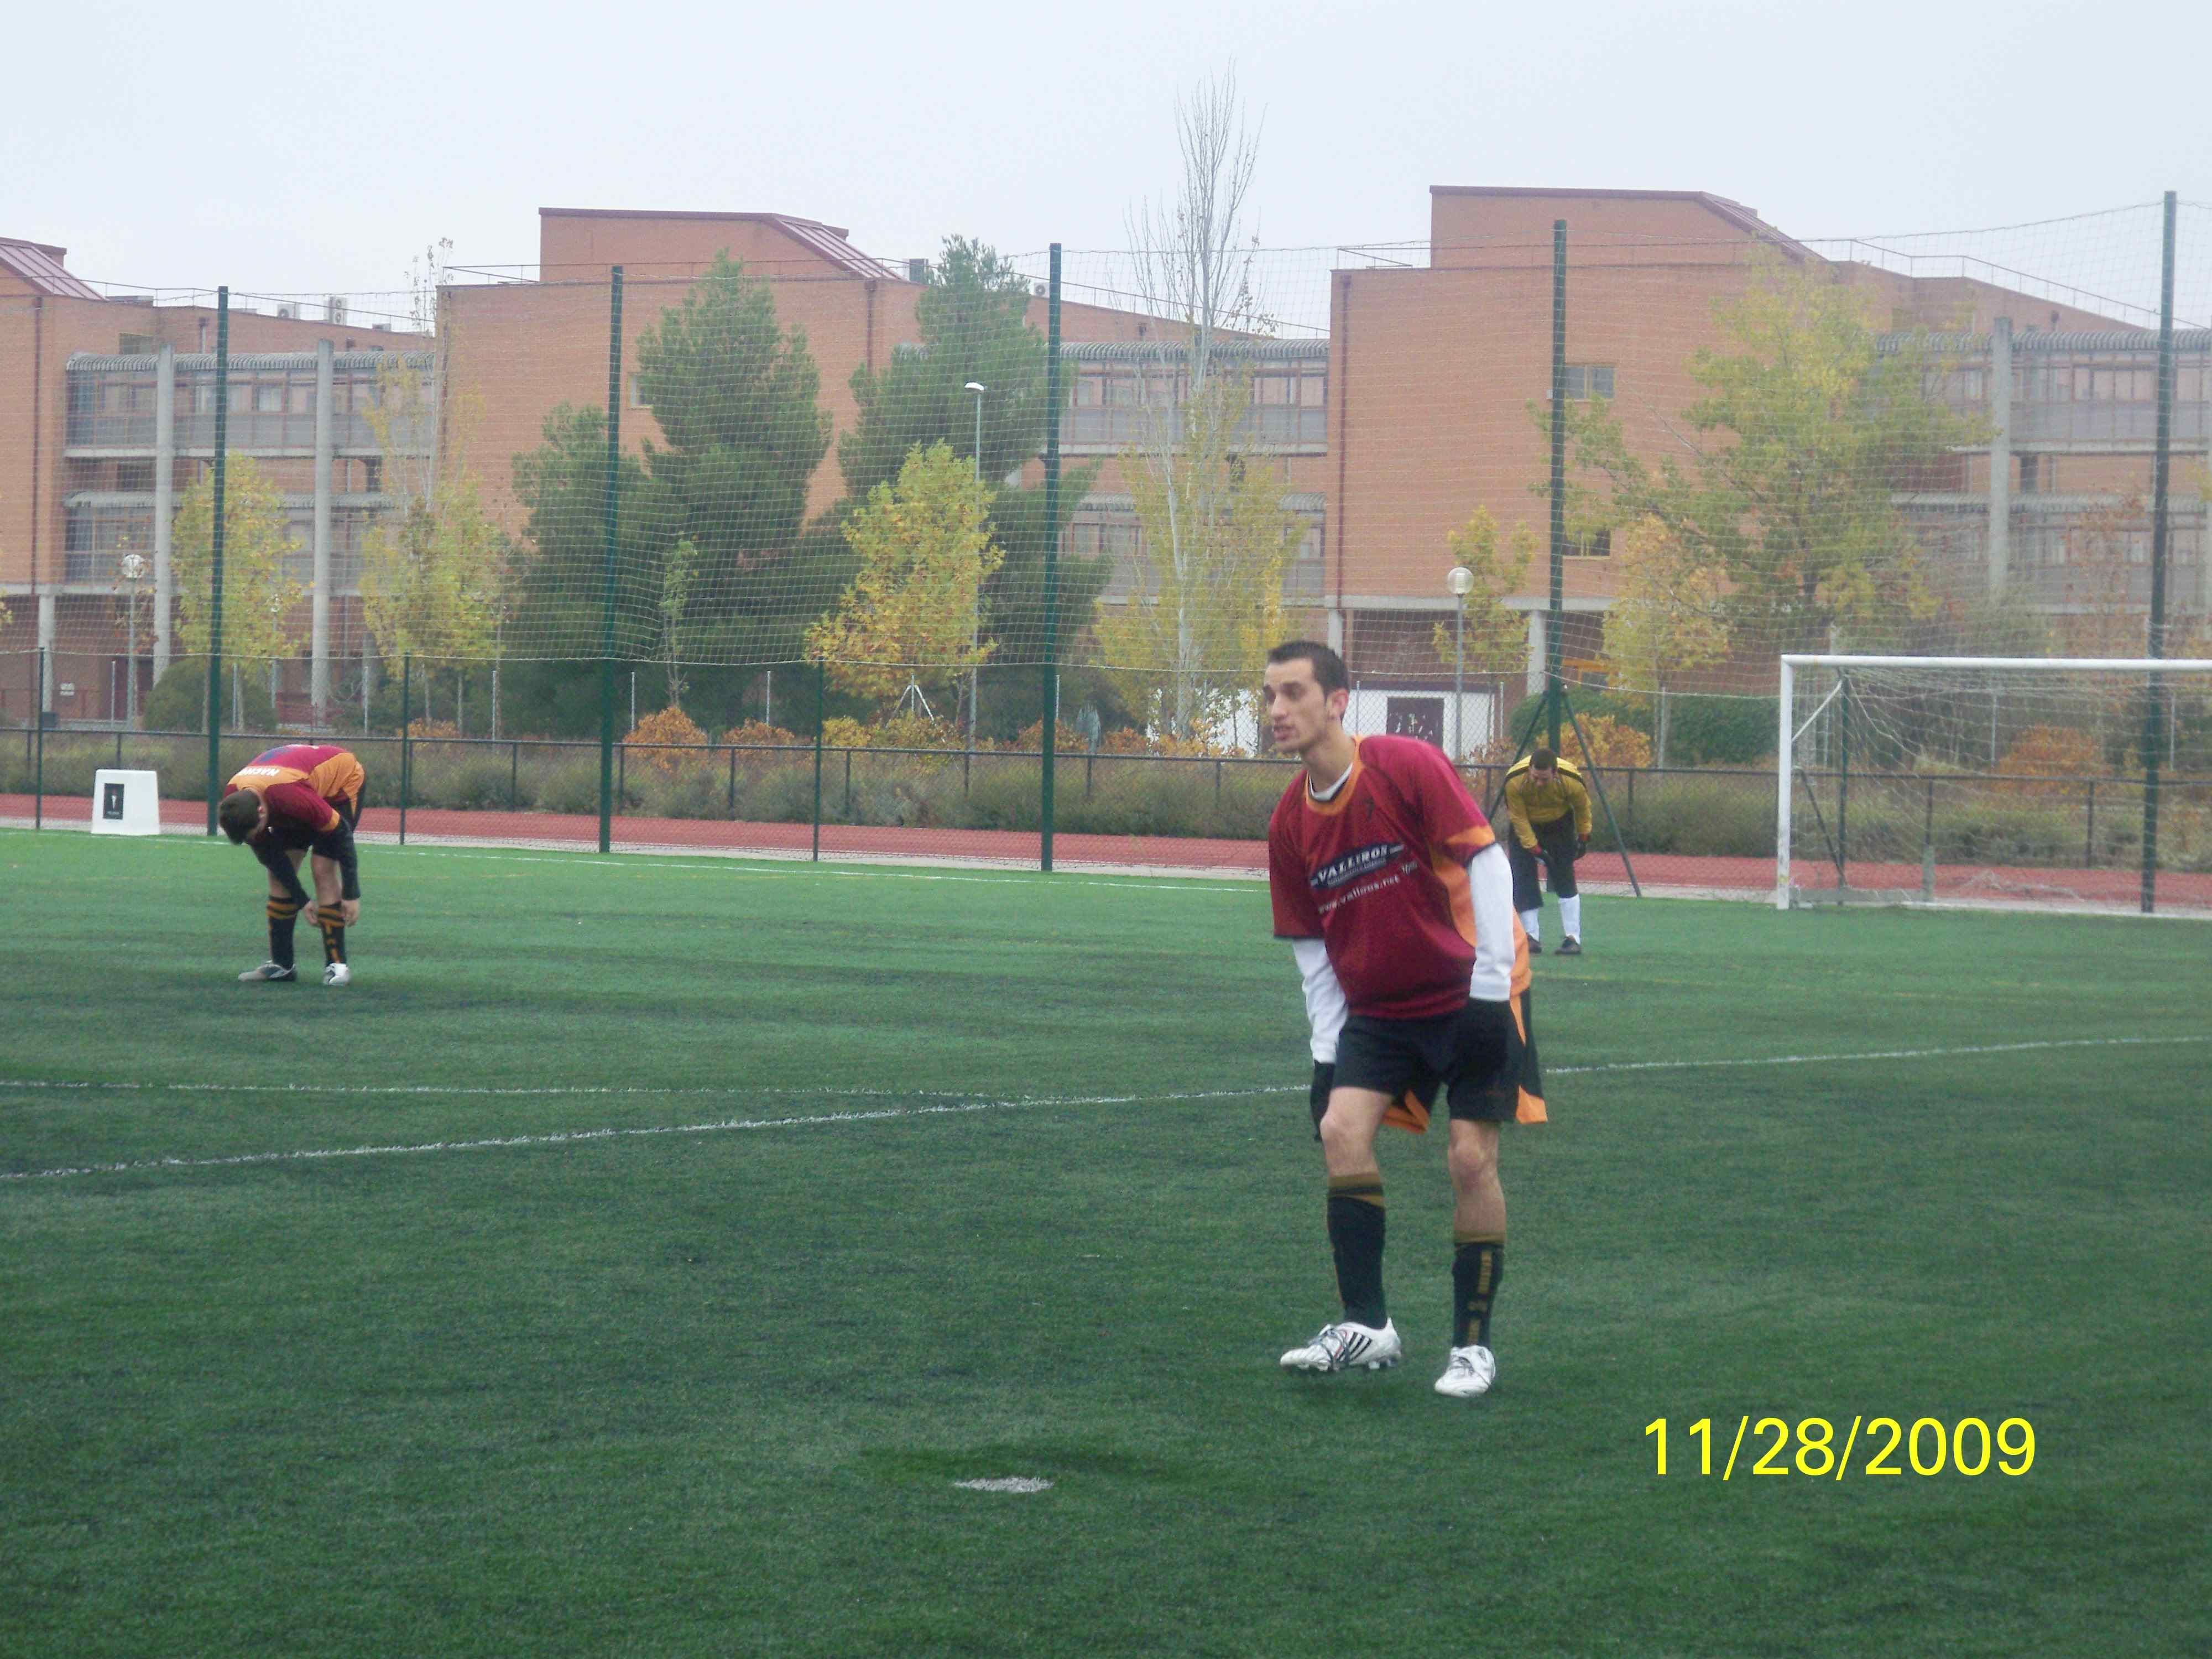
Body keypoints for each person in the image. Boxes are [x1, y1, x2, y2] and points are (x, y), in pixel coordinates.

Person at [1263, 640, 1544, 1400]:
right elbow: (1312, 948)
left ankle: (1472, 1349)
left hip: (1472, 988)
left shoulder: (1404, 764)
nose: (1278, 711)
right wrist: (1326, 1054)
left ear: (1338, 700)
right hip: (1382, 1007)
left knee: (1468, 1159)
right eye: (1270, 697)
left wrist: (1490, 991)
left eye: (1293, 693)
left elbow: (1487, 862)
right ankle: (1368, 1325)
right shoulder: (1290, 820)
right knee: (1339, 1131)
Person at [217, 743, 366, 987]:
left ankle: (337, 966)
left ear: (262, 813)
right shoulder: (234, 800)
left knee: (323, 868)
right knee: (278, 875)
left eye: (255, 833)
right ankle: (282, 965)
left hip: (339, 787)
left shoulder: (291, 798)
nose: (254, 841)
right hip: (296, 789)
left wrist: (352, 893)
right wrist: (302, 900)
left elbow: (342, 834)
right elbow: (272, 858)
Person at [1503, 747, 1592, 955]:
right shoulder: (1515, 780)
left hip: (1559, 824)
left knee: (1565, 877)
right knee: (1523, 878)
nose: (1539, 783)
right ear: (1529, 771)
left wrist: (1584, 837)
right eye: (1535, 777)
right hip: (1526, 825)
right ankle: (1531, 937)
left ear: (1556, 772)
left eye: (1544, 779)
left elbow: (1583, 809)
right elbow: (1518, 818)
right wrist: (1534, 848)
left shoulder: (1572, 780)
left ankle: (1573, 939)